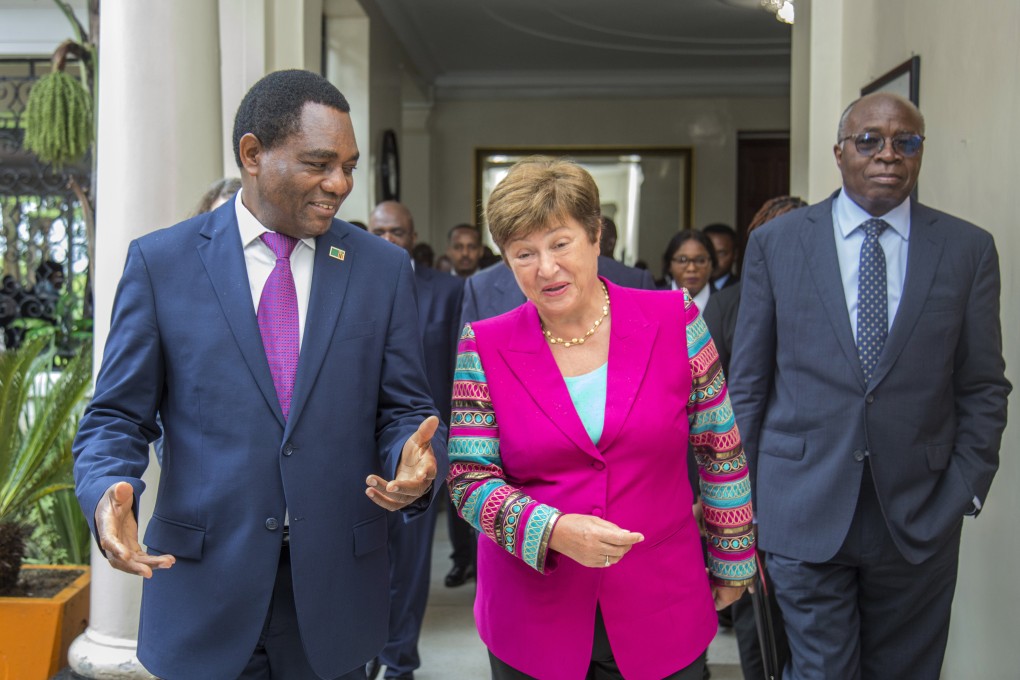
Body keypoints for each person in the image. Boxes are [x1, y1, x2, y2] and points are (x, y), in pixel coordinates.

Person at [72, 70, 447, 680]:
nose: (340, 184)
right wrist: (107, 492)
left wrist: (414, 459)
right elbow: (116, 415)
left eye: (348, 167)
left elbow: (405, 408)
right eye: (319, 164)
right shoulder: (161, 263)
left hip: (334, 598)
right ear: (252, 154)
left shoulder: (381, 269)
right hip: (203, 592)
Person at [729, 92, 1011, 680]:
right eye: (870, 141)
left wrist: (965, 487)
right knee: (822, 671)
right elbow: (749, 384)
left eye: (905, 142)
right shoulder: (777, 245)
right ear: (839, 153)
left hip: (920, 513)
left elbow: (983, 385)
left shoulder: (967, 250)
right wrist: (740, 499)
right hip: (800, 507)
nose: (888, 154)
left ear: (920, 153)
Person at [447, 157, 755, 680]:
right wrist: (554, 530)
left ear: (595, 236)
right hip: (532, 612)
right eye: (524, 253)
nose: (545, 268)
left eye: (560, 243)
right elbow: (468, 479)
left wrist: (732, 556)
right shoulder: (486, 343)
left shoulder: (675, 320)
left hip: (660, 599)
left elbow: (719, 448)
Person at [702, 196, 806, 680]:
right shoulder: (727, 303)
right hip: (746, 477)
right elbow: (716, 401)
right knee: (753, 607)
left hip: (811, 483)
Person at [366, 200, 464, 680]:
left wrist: (446, 449)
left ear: (412, 235)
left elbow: (455, 374)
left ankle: (399, 660)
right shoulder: (342, 282)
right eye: (378, 230)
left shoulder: (446, 292)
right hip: (353, 452)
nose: (387, 240)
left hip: (420, 447)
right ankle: (360, 652)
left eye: (397, 232)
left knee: (408, 564)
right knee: (359, 562)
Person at [660, 229, 716, 313]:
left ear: (712, 264)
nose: (691, 268)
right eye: (682, 260)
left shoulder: (728, 303)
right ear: (669, 265)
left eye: (700, 260)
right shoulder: (655, 301)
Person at [702, 223, 738, 290]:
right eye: (709, 252)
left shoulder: (743, 290)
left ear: (735, 255)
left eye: (721, 254)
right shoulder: (684, 289)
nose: (714, 259)